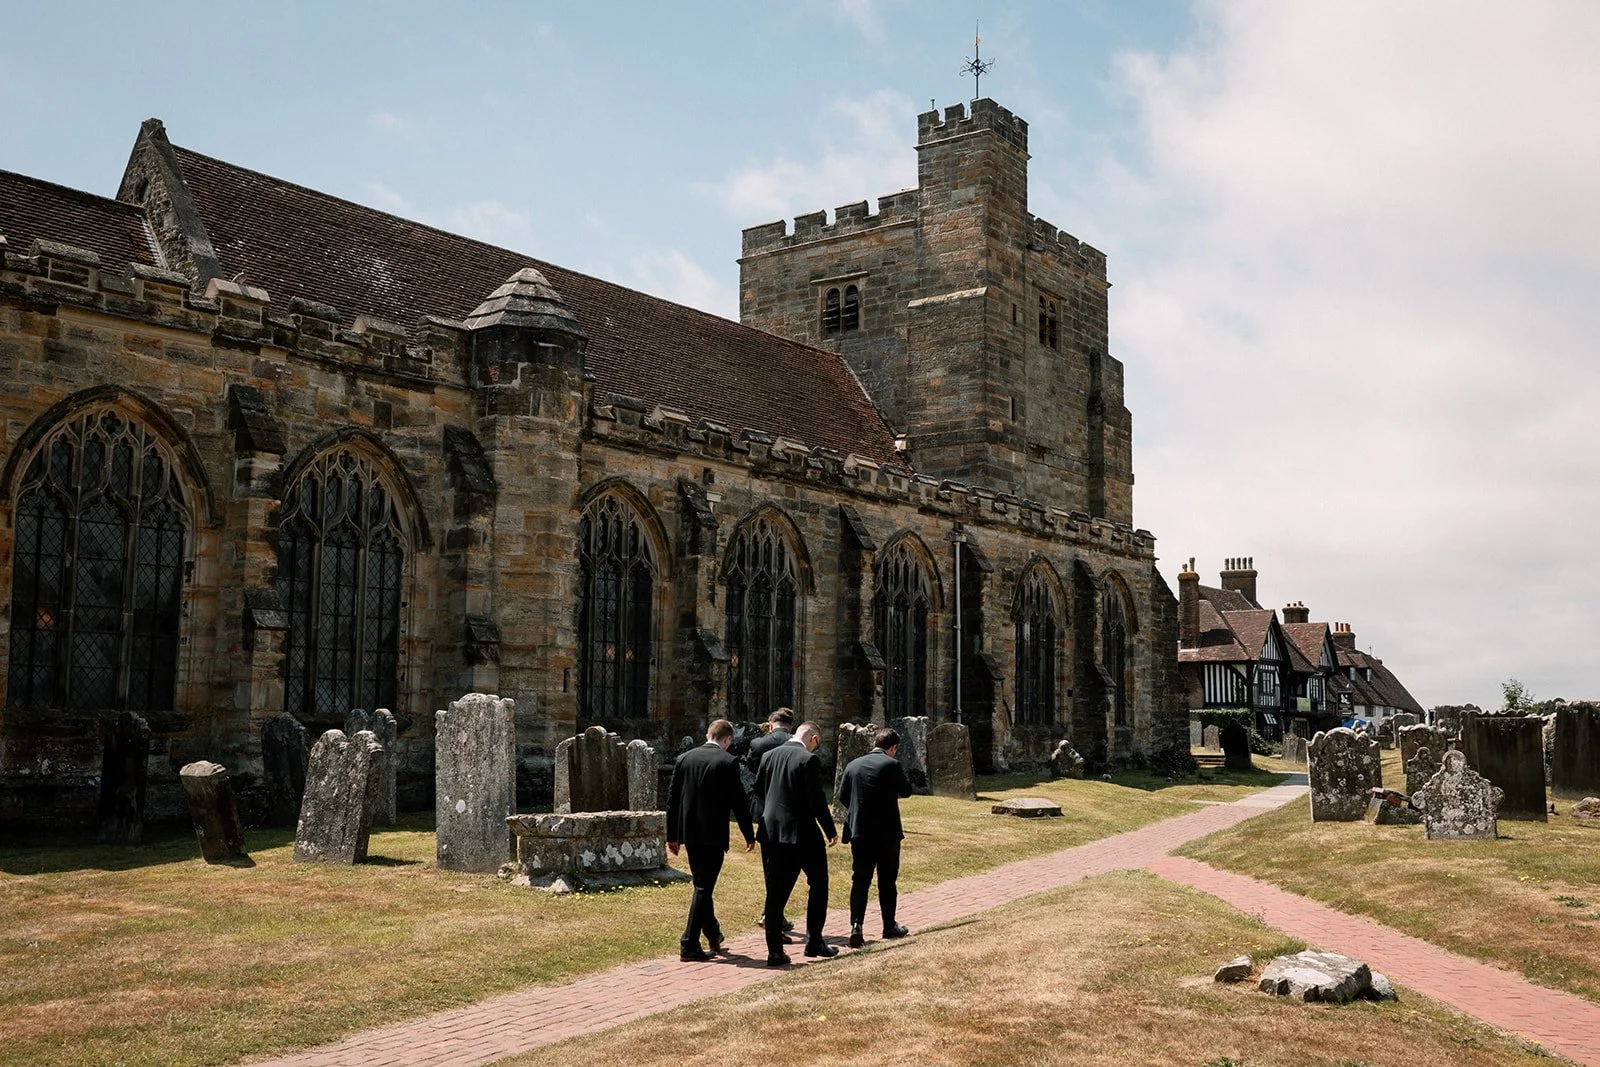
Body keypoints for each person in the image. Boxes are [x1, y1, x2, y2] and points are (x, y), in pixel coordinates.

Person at [666, 719, 756, 962]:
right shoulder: (728, 761)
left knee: (701, 885)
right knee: (704, 887)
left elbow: (673, 799)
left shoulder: (684, 759)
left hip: (689, 833)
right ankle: (689, 943)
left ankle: (713, 933)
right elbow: (739, 801)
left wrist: (672, 835)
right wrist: (749, 834)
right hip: (713, 834)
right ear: (727, 740)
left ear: (708, 735)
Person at [752, 720, 837, 966]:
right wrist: (830, 830)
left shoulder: (768, 756)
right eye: (816, 744)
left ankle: (775, 952)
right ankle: (814, 941)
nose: (815, 748)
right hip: (801, 831)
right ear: (813, 738)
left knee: (775, 891)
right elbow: (817, 800)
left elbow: (759, 790)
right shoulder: (808, 760)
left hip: (771, 831)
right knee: (819, 883)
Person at [836, 726, 914, 948]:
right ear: (893, 747)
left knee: (860, 879)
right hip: (886, 832)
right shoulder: (891, 764)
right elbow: (906, 790)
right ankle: (889, 925)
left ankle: (856, 925)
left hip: (860, 832)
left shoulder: (853, 765)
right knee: (887, 880)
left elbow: (842, 796)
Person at [745, 707, 796, 934]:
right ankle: (773, 914)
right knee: (788, 868)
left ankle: (773, 913)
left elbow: (753, 770)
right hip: (789, 809)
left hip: (765, 808)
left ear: (771, 723)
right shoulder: (796, 744)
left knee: (770, 866)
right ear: (791, 726)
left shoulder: (758, 744)